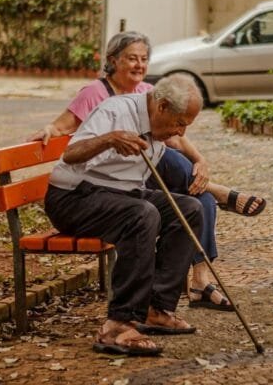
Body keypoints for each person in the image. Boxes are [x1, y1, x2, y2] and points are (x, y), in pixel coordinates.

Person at [29, 31, 267, 309]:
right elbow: (69, 146)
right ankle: (125, 316)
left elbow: (176, 138)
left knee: (193, 205)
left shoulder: (149, 95)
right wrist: (102, 137)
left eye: (144, 59)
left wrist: (200, 161)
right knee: (145, 212)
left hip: (129, 182)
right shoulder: (104, 101)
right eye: (132, 58)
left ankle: (165, 304)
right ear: (113, 61)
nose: (139, 65)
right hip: (83, 193)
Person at [45, 74, 205, 356]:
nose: (180, 132)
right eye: (180, 123)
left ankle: (157, 308)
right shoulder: (116, 111)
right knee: (142, 215)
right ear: (163, 106)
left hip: (120, 194)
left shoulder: (159, 126)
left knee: (189, 209)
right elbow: (71, 155)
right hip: (73, 198)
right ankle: (118, 324)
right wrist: (109, 139)